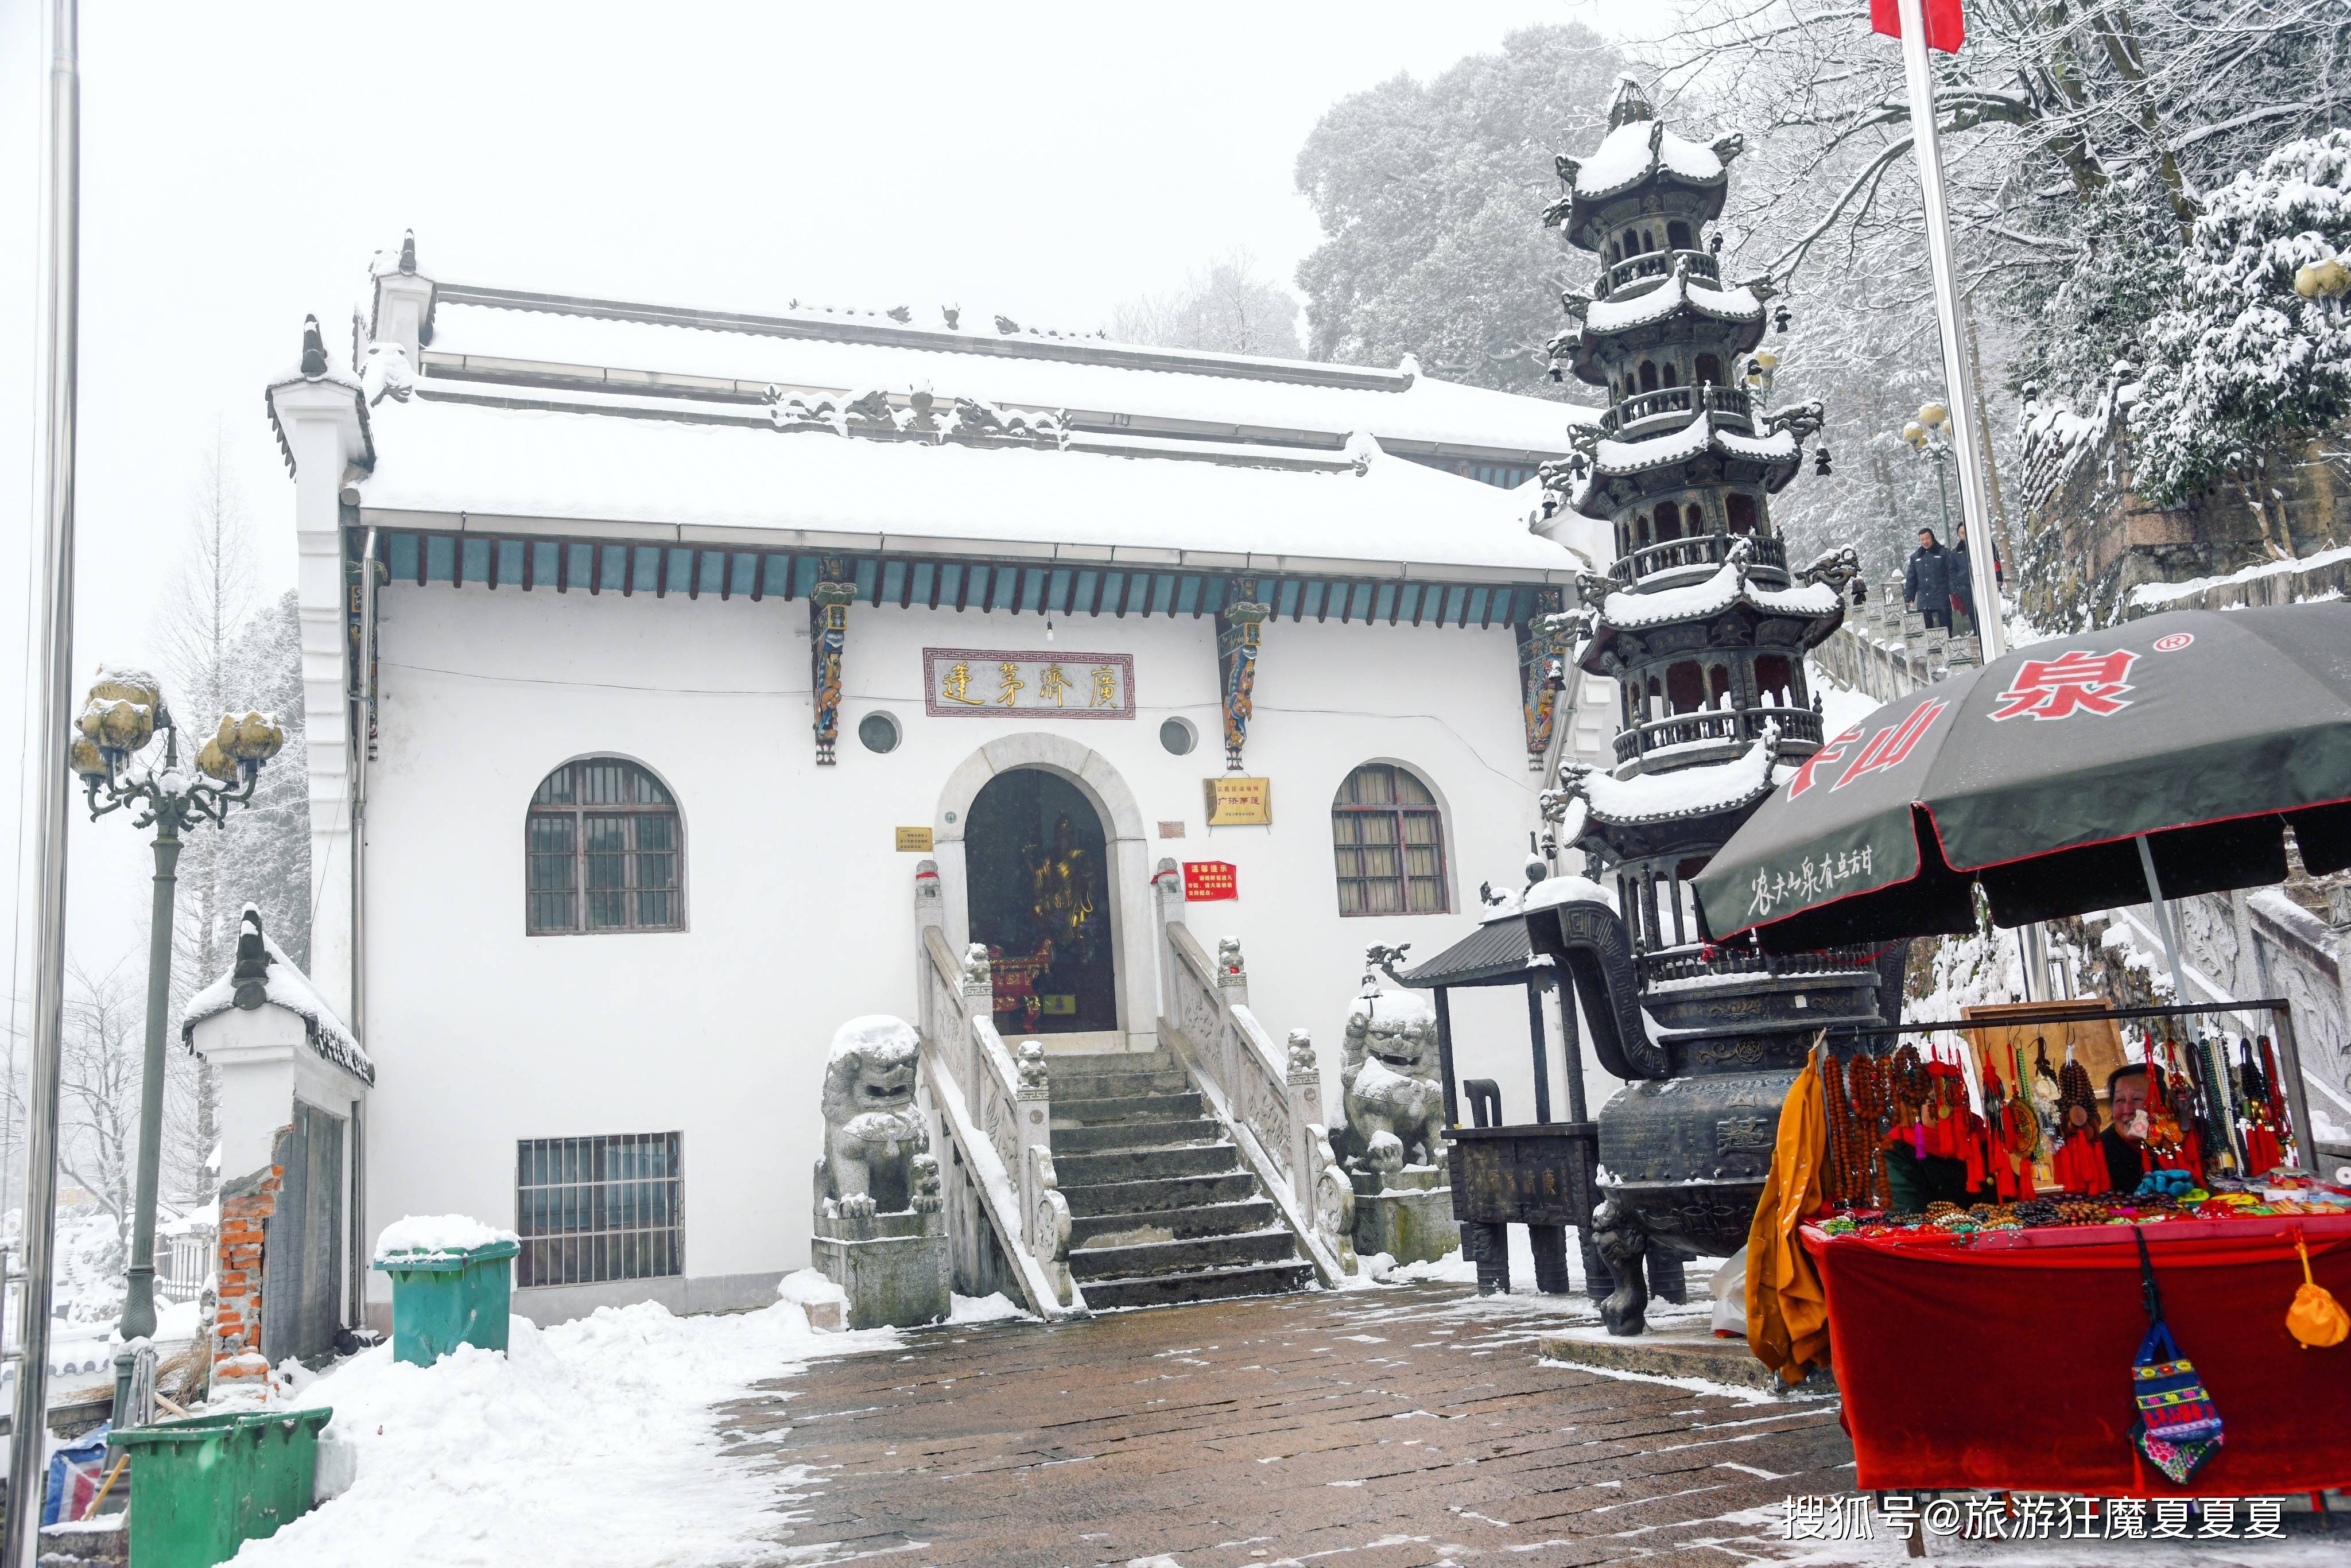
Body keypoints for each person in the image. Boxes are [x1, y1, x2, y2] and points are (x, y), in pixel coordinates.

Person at [2100, 1064, 2154, 1194]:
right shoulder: (2100, 1150)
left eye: (2137, 1099)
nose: (2127, 1110)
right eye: (2119, 1100)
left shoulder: (2193, 1137)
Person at [1952, 522, 2003, 635]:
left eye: (1967, 532)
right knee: (1973, 613)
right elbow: (1952, 571)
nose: (1965, 535)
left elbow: (1995, 561)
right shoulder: (1955, 553)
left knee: (1989, 610)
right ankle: (1978, 634)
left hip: (1985, 583)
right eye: (1962, 533)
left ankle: (1994, 633)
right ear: (1959, 535)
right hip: (1967, 588)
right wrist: (1958, 587)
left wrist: (1999, 578)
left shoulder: (1984, 544)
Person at [1903, 527, 1957, 631]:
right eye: (1922, 540)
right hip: (1924, 599)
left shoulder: (1944, 553)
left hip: (1941, 596)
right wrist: (1909, 597)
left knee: (1945, 627)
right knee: (1927, 629)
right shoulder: (1916, 557)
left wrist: (1953, 590)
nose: (1925, 542)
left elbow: (1951, 573)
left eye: (1927, 539)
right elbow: (1912, 578)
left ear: (1932, 538)